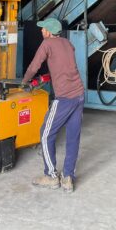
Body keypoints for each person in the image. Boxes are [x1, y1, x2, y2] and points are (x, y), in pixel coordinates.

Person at [22, 18, 84, 193]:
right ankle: (68, 178)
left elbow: (34, 66)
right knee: (73, 137)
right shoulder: (67, 43)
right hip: (79, 95)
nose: (41, 31)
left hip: (64, 97)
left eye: (43, 29)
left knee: (45, 134)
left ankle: (50, 176)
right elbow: (63, 65)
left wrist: (24, 81)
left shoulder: (47, 44)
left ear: (49, 32)